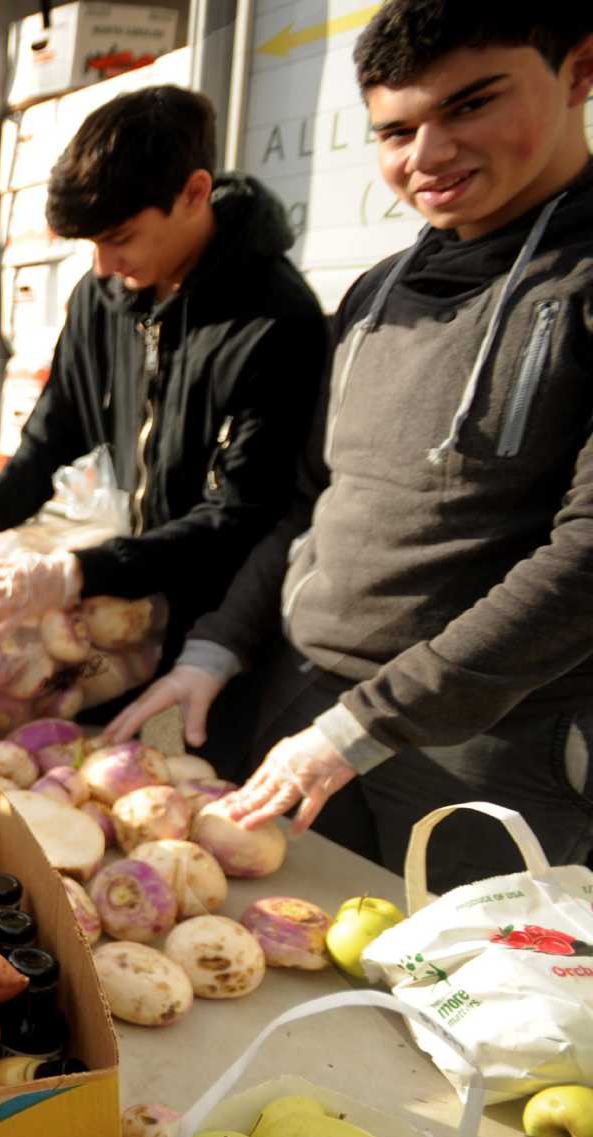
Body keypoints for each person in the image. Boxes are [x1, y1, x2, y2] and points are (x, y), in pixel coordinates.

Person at [109, 0, 593, 884]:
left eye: (472, 105)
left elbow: (584, 562)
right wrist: (218, 648)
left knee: (447, 997)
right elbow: (308, 504)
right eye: (397, 130)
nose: (429, 156)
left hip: (484, 749)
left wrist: (366, 723)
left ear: (578, 71)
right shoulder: (375, 295)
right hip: (303, 705)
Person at [0, 87, 328, 748]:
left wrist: (81, 572)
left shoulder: (276, 322)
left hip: (229, 617)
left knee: (204, 761)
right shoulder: (103, 295)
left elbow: (243, 515)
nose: (103, 266)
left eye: (120, 238)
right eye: (91, 245)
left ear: (194, 193)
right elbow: (56, 425)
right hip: (131, 597)